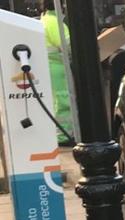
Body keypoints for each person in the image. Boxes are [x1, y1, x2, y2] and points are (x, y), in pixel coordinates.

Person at [40, 0, 73, 146]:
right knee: (63, 101)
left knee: (55, 102)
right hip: (58, 68)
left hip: (49, 67)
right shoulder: (55, 23)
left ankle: (60, 134)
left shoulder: (44, 20)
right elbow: (68, 47)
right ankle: (64, 135)